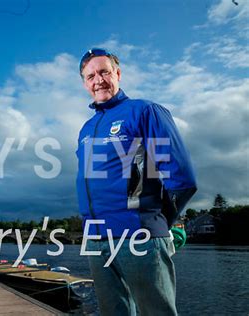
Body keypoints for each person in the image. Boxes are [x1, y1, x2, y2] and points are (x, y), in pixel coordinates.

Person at [76, 48, 197, 315]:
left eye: (104, 71)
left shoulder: (145, 111)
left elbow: (182, 177)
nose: (98, 80)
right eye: (91, 75)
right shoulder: (86, 128)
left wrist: (159, 222)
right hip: (97, 239)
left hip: (139, 237)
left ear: (117, 74)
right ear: (85, 83)